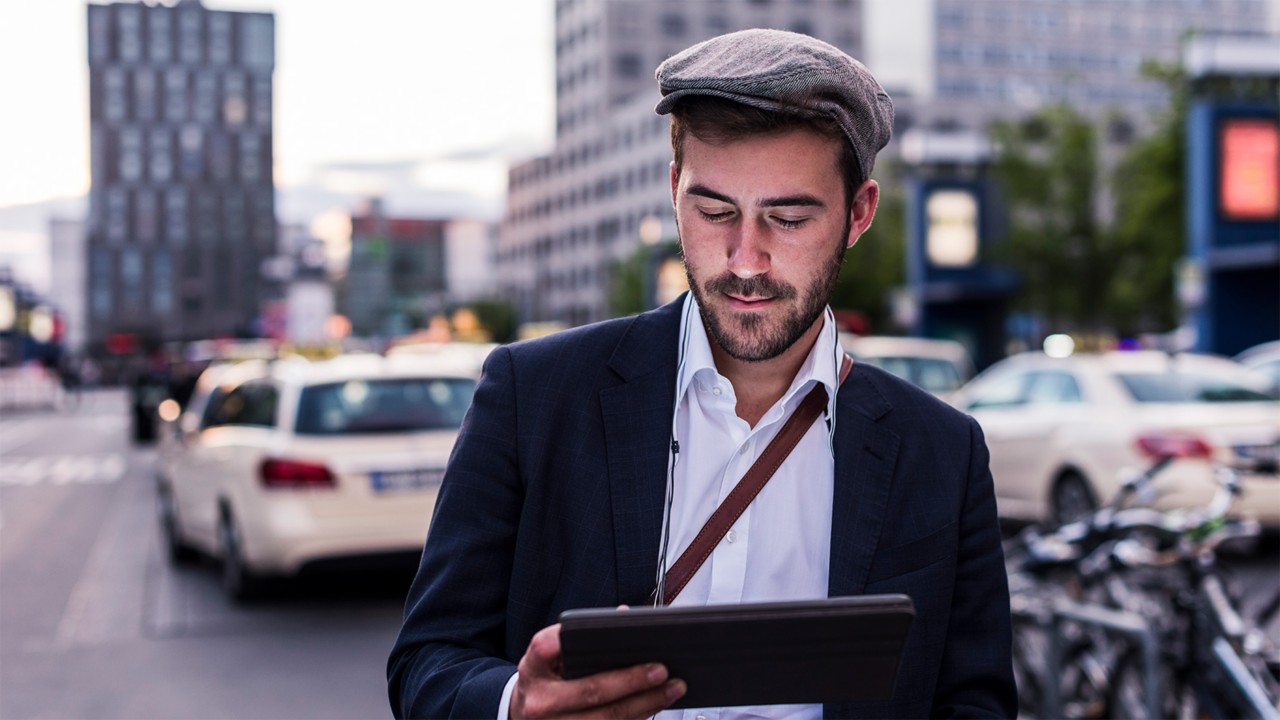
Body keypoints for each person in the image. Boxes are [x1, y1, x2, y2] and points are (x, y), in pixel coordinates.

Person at [389, 29, 1015, 720]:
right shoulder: (531, 396)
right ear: (673, 190)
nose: (745, 259)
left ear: (858, 214)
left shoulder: (943, 453)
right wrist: (514, 705)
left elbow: (973, 703)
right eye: (714, 212)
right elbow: (427, 662)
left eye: (788, 217)